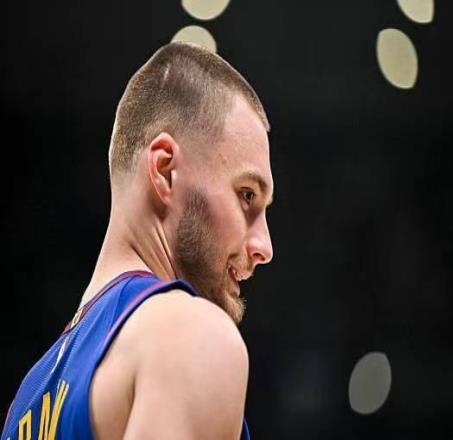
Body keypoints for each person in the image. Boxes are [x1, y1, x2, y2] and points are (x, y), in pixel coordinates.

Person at [1, 42, 274, 439]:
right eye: (247, 194)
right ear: (164, 171)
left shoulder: (24, 403)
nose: (265, 246)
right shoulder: (193, 336)